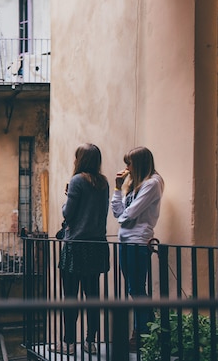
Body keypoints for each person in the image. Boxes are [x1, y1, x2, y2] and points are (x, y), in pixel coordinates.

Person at [52, 143, 110, 356]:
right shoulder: (103, 183)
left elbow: (68, 213)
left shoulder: (77, 181)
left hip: (75, 246)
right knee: (92, 296)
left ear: (80, 159)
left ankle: (68, 344)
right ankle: (90, 341)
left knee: (70, 296)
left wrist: (67, 196)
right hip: (96, 245)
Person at [111, 146, 164, 352]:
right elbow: (118, 213)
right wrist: (117, 188)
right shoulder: (133, 185)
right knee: (135, 288)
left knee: (137, 289)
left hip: (138, 242)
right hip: (127, 242)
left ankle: (143, 334)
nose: (127, 168)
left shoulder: (152, 183)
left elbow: (128, 214)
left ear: (139, 163)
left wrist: (124, 216)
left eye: (129, 163)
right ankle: (146, 332)